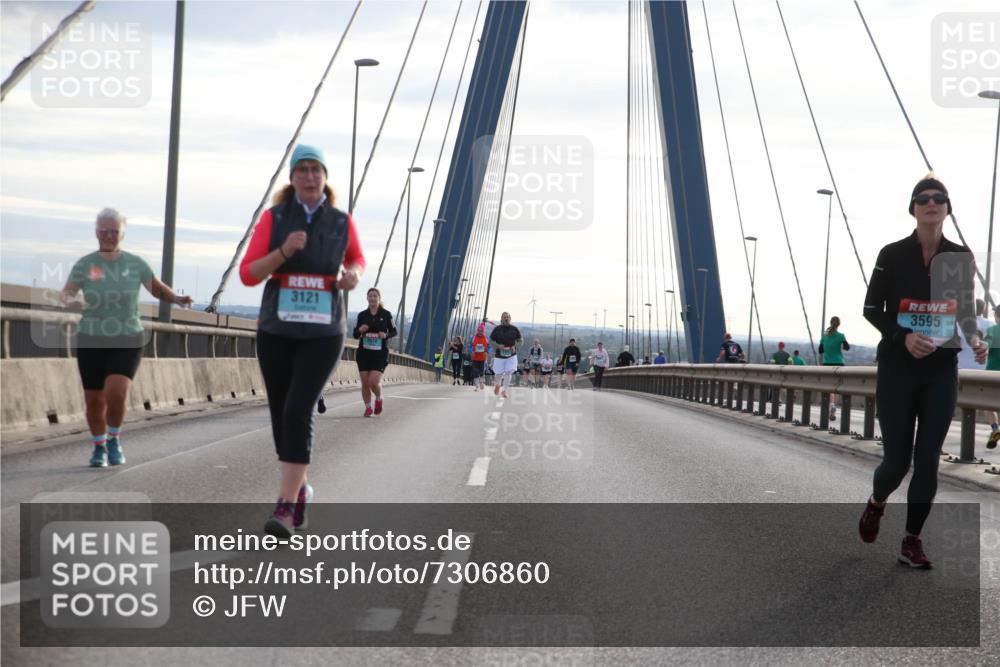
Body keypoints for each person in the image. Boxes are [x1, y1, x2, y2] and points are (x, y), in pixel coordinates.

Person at [858, 175, 986, 568]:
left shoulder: (960, 258)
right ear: (913, 208)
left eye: (939, 198)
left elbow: (964, 309)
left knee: (928, 456)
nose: (931, 203)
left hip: (940, 370)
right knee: (896, 463)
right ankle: (877, 502)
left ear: (947, 209)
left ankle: (911, 541)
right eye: (923, 198)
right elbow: (870, 310)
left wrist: (975, 339)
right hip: (898, 369)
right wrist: (903, 336)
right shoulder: (892, 254)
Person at [239, 143, 364, 537]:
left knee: (298, 409)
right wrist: (283, 250)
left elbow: (357, 259)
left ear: (325, 179)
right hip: (277, 328)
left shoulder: (341, 221)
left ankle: (287, 506)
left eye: (316, 170)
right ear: (292, 178)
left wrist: (354, 276)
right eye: (303, 169)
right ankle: (301, 488)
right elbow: (249, 274)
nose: (310, 176)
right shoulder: (274, 218)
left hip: (323, 332)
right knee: (281, 414)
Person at [61, 208, 193, 468]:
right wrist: (71, 301)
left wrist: (176, 298)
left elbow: (156, 288)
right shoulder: (85, 264)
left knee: (116, 391)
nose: (109, 236)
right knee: (95, 400)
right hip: (92, 337)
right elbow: (66, 293)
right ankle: (99, 446)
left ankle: (114, 439)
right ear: (97, 233)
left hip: (127, 335)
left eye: (115, 232)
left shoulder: (135, 263)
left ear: (123, 234)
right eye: (104, 231)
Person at [353, 287, 396, 417]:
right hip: (364, 353)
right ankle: (368, 407)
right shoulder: (362, 315)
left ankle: (378, 398)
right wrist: (361, 329)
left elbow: (394, 331)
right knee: (365, 383)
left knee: (372, 382)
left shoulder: (386, 314)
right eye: (370, 296)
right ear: (367, 298)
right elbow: (355, 334)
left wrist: (386, 335)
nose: (372, 298)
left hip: (380, 354)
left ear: (379, 298)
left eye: (375, 296)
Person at [819, 316, 850, 420]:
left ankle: (830, 405)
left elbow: (820, 350)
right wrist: (840, 345)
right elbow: (847, 348)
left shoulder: (825, 336)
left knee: (828, 387)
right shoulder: (841, 336)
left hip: (827, 364)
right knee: (837, 387)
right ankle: (833, 405)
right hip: (839, 364)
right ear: (839, 324)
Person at [489, 312, 522, 398]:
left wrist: (515, 346)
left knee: (509, 372)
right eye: (504, 317)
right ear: (501, 319)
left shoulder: (515, 329)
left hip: (511, 355)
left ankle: (504, 390)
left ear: (510, 319)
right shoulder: (497, 329)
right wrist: (497, 346)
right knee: (498, 374)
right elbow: (490, 341)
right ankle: (497, 385)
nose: (506, 318)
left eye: (507, 317)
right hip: (499, 355)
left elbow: (521, 340)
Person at [984, 304, 1000, 449]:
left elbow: (985, 345)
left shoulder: (992, 330)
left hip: (992, 373)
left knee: (988, 405)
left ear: (996, 316)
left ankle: (995, 429)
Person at [470, 322, 490, 391]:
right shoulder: (473, 337)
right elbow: (470, 346)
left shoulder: (486, 338)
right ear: (477, 331)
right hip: (475, 357)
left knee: (481, 371)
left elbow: (489, 347)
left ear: (483, 331)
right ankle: (476, 386)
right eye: (479, 330)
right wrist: (471, 351)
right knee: (475, 371)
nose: (480, 332)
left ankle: (481, 382)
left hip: (482, 358)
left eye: (481, 331)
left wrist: (487, 352)